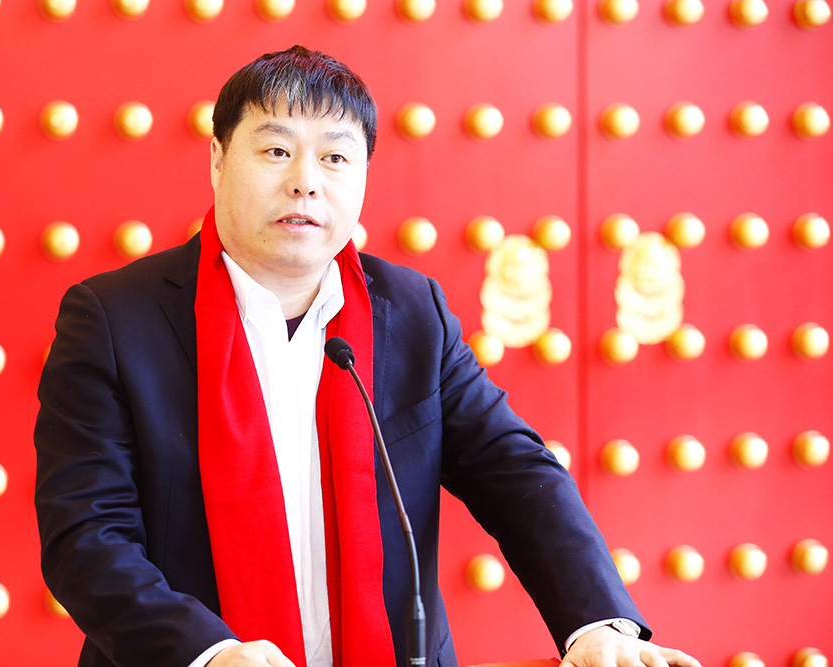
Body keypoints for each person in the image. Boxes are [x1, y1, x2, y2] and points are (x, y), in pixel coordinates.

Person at [34, 45, 701, 667]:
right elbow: (87, 536)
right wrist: (210, 653)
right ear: (217, 159)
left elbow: (514, 470)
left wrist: (597, 624)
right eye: (276, 150)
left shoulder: (412, 312)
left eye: (335, 157)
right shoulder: (115, 320)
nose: (305, 182)